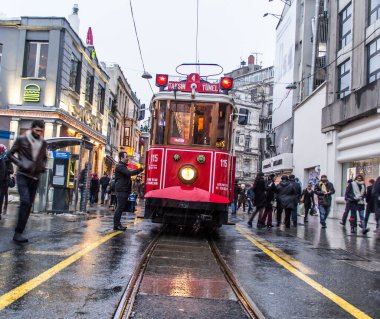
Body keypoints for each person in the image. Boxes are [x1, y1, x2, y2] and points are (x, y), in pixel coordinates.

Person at [8, 120, 47, 243]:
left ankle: (19, 233)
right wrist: (21, 163)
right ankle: (17, 232)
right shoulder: (21, 140)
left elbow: (45, 158)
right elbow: (9, 154)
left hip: (35, 177)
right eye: (37, 130)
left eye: (41, 131)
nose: (39, 133)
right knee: (25, 201)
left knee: (29, 204)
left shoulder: (43, 143)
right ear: (32, 129)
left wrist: (42, 165)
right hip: (23, 175)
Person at [113, 152, 144, 231]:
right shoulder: (120, 167)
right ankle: (116, 225)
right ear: (121, 158)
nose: (127, 158)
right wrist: (140, 169)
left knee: (121, 207)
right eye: (126, 157)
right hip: (121, 189)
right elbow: (129, 173)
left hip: (124, 189)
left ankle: (117, 224)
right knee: (120, 207)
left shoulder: (123, 166)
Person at [0, 144, 14, 219]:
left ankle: (5, 205)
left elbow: (11, 171)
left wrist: (7, 171)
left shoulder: (8, 162)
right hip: (3, 179)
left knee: (4, 194)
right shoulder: (3, 160)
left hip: (5, 180)